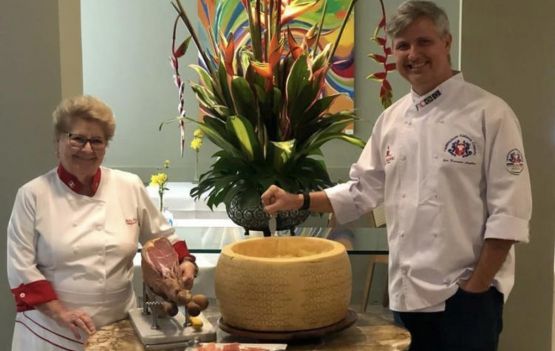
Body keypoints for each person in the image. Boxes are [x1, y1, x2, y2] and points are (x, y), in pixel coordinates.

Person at [261, 1, 532, 350]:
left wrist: (475, 288)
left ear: (446, 42)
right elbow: (361, 190)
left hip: (464, 299)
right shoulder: (391, 120)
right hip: (405, 295)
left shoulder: (490, 114)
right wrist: (297, 200)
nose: (412, 54)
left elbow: (509, 215)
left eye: (423, 42)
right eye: (402, 46)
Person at [7, 95, 198, 350]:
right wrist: (60, 313)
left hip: (119, 329)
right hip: (52, 333)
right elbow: (21, 268)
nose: (87, 149)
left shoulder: (128, 185)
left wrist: (185, 261)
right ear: (58, 141)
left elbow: (163, 237)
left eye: (97, 141)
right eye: (77, 138)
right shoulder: (33, 195)